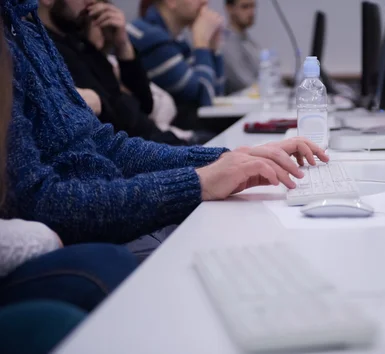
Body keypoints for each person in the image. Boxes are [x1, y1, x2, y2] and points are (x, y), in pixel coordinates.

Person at [2, 0, 328, 260]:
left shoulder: (28, 31)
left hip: (117, 216)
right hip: (91, 242)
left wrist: (225, 159)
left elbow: (107, 144)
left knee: (261, 230)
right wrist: (196, 182)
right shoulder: (13, 41)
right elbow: (41, 203)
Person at [0, 11, 136, 313]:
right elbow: (40, 198)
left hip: (76, 218)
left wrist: (205, 170)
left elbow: (116, 130)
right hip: (61, 228)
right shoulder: (22, 38)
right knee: (112, 265)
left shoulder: (29, 30)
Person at [39, 0, 196, 145]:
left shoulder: (76, 41)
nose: (91, 2)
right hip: (145, 155)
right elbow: (117, 123)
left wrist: (122, 46)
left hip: (157, 144)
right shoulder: (46, 52)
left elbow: (146, 105)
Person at [129, 0, 225, 108]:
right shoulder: (151, 38)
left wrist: (212, 48)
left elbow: (216, 96)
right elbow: (202, 100)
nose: (205, 2)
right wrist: (201, 43)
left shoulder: (177, 39)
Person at [222, 0, 260, 94]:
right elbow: (247, 83)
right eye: (245, 7)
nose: (251, 12)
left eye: (253, 6)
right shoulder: (226, 43)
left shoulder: (248, 41)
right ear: (230, 8)